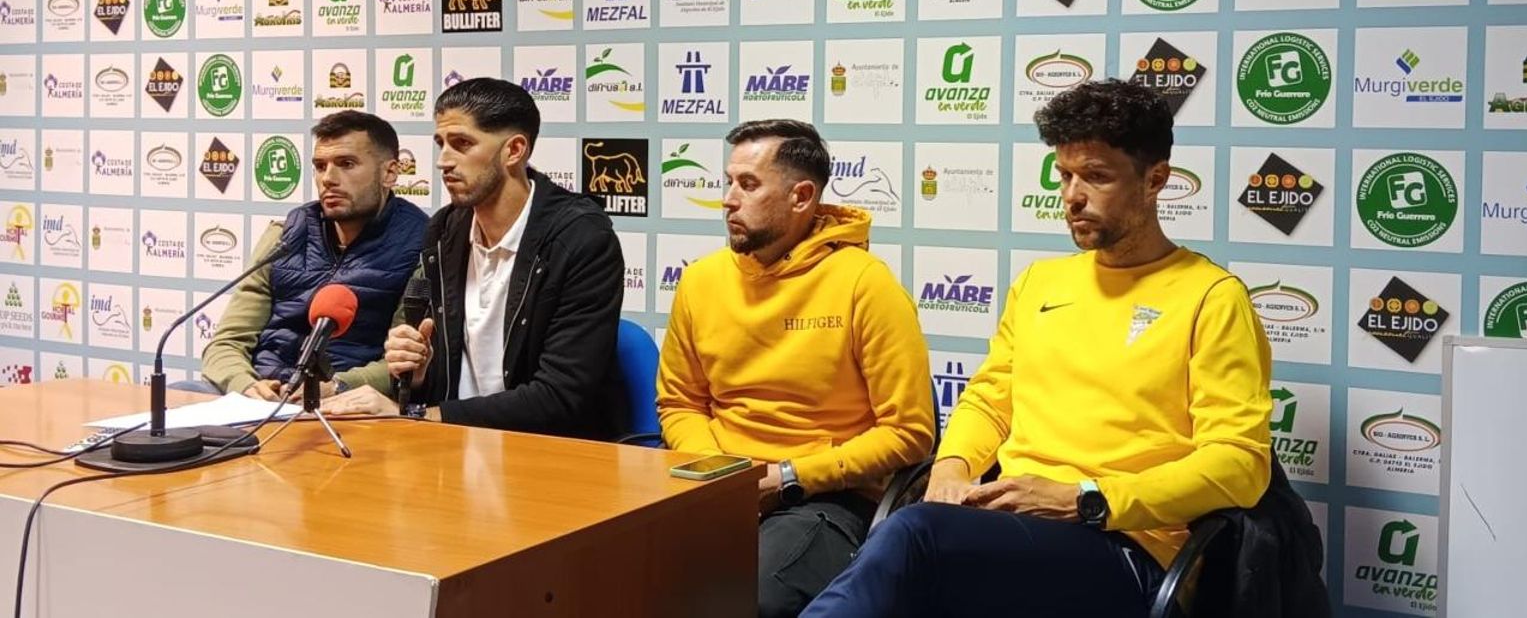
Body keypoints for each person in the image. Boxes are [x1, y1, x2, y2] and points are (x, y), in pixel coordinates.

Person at [802, 79, 1274, 618]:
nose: (1072, 196)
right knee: (912, 553)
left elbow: (1239, 464)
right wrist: (952, 467)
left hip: (1126, 547)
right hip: (1007, 529)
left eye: (1096, 177)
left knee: (913, 540)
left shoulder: (1211, 297)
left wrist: (1085, 499)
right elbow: (988, 398)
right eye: (1065, 175)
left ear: (1155, 180)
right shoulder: (1039, 284)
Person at [658, 119, 935, 618]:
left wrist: (787, 476)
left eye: (748, 184)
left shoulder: (865, 285)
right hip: (713, 481)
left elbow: (910, 431)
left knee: (742, 600)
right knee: (600, 572)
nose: (727, 199)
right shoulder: (701, 281)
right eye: (728, 181)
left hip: (824, 497)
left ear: (801, 196)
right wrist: (724, 475)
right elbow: (680, 401)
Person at [325, 78, 628, 438]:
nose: (443, 162)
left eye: (462, 144)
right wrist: (418, 373)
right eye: (441, 144)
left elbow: (560, 396)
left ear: (514, 150)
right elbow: (453, 376)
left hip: (545, 452)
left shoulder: (581, 238)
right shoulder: (445, 230)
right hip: (447, 445)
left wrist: (417, 415)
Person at [191, 110, 428, 398]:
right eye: (319, 166)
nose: (328, 178)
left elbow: (406, 358)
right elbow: (226, 343)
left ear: (389, 173)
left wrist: (336, 388)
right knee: (175, 396)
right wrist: (247, 386)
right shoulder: (285, 235)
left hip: (345, 401)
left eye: (346, 164)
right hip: (260, 394)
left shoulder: (420, 244)